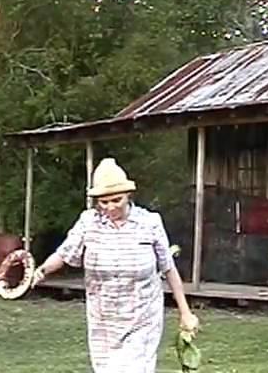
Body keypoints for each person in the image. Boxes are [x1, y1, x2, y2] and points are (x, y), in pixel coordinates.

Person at [31, 157, 199, 373]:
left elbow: (169, 269)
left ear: (128, 196)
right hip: (103, 320)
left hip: (142, 317)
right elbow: (64, 254)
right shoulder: (88, 222)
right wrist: (41, 271)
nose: (110, 207)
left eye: (116, 200)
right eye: (104, 202)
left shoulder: (149, 223)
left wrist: (185, 313)